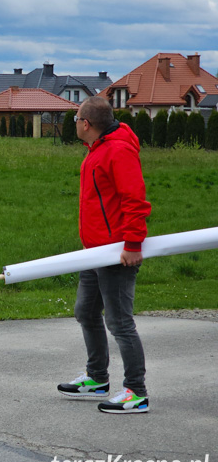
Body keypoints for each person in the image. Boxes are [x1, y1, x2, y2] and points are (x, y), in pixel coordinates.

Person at [57, 96, 152, 413]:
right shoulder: (98, 148)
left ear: (86, 124)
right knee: (85, 311)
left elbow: (134, 199)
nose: (75, 124)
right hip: (94, 251)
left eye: (76, 119)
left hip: (115, 253)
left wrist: (133, 244)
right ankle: (97, 378)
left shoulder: (118, 150)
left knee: (120, 322)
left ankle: (136, 392)